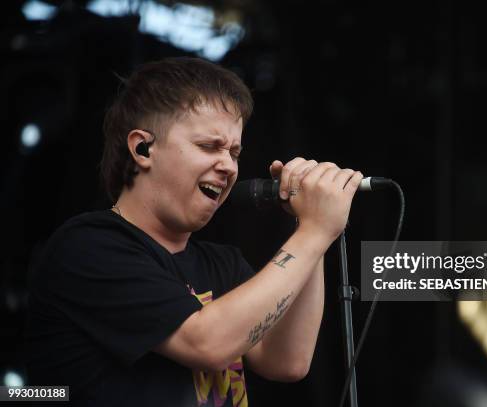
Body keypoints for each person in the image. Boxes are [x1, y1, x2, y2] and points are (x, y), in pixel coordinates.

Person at [25, 57, 363, 406]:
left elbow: (287, 361)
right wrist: (314, 232)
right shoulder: (89, 247)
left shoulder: (222, 263)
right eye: (210, 146)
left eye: (234, 152)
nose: (229, 166)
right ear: (143, 148)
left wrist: (310, 224)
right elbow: (207, 343)